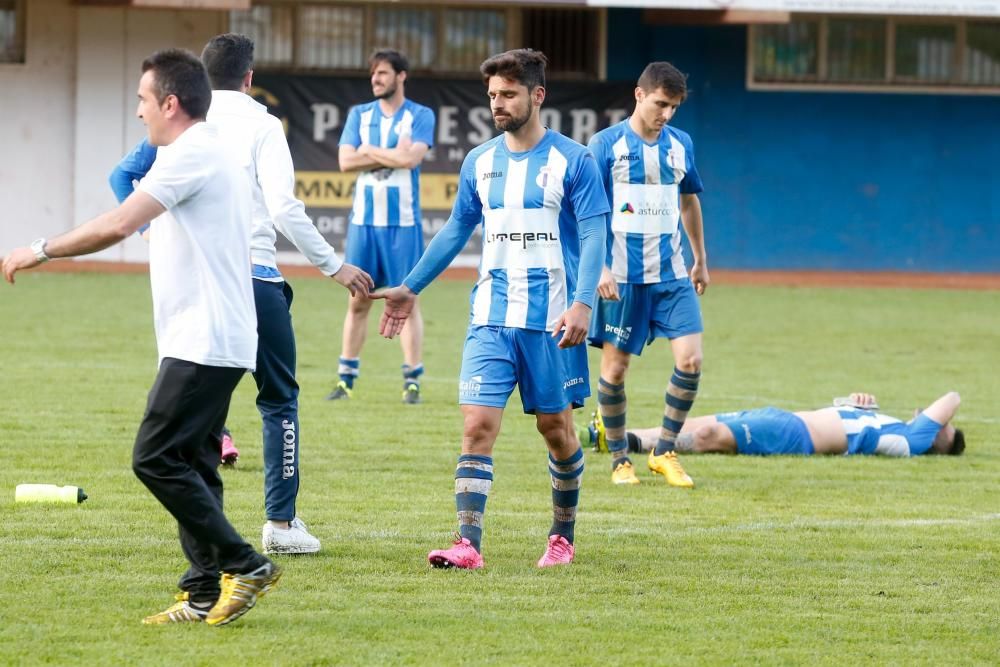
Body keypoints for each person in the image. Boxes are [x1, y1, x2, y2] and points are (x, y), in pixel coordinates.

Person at [2, 48, 280, 626]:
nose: (138, 113)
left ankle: (244, 563)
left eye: (142, 100)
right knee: (196, 465)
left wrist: (39, 249)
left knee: (154, 458)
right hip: (206, 336)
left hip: (205, 340)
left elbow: (119, 223)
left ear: (170, 104)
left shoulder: (190, 154)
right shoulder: (197, 152)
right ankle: (201, 592)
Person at [107, 34, 374, 556]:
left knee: (205, 411)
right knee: (279, 400)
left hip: (199, 283)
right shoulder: (263, 124)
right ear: (250, 78)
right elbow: (283, 208)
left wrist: (151, 234)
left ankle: (210, 532)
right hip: (255, 278)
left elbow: (125, 178)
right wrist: (334, 265)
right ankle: (281, 523)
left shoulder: (183, 125)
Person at [375, 49, 608, 569]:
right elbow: (458, 228)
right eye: (492, 96)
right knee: (477, 425)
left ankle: (562, 535)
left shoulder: (574, 161)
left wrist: (582, 302)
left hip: (552, 322)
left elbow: (594, 232)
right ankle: (468, 544)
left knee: (557, 431)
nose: (497, 105)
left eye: (508, 95)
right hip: (490, 317)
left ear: (537, 96)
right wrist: (411, 286)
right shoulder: (479, 161)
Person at [585, 61, 709, 488]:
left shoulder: (680, 145)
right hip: (620, 278)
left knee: (691, 360)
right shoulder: (604, 145)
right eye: (661, 104)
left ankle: (665, 451)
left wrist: (700, 258)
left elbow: (689, 201)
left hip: (673, 275)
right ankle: (620, 459)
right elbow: (586, 212)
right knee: (615, 370)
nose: (667, 114)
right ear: (639, 96)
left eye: (674, 107)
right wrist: (598, 266)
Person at [109, 141, 244, 467]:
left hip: (221, 260)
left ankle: (211, 434)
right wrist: (145, 229)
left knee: (213, 348)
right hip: (179, 262)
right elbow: (120, 176)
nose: (142, 112)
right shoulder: (169, 137)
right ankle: (202, 436)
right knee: (183, 347)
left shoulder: (225, 131)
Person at [327, 49, 435, 404]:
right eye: (373, 74)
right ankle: (345, 380)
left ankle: (413, 381)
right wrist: (387, 152)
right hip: (364, 225)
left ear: (401, 76)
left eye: (384, 73)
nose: (376, 79)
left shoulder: (421, 114)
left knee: (409, 302)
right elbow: (345, 161)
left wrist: (368, 152)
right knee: (357, 302)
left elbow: (411, 158)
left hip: (403, 226)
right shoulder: (359, 114)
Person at [586, 392, 966, 457]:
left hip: (796, 436)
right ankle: (617, 438)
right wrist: (855, 403)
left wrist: (933, 425)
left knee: (706, 436)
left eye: (942, 430)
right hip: (786, 418)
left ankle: (630, 446)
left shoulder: (914, 440)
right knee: (696, 423)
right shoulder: (895, 427)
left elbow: (951, 398)